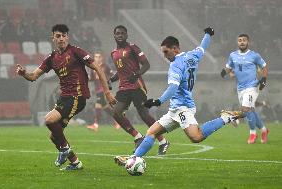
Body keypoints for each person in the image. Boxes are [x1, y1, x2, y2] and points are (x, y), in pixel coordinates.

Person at [114, 27, 244, 165]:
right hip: (175, 109)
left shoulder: (175, 65)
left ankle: (225, 117)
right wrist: (208, 34)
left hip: (183, 108)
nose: (165, 55)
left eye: (166, 52)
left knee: (196, 137)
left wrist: (158, 101)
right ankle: (132, 158)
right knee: (151, 132)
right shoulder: (193, 56)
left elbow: (173, 87)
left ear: (175, 48)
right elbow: (202, 47)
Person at [16, 24, 116, 170]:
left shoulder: (77, 52)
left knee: (49, 120)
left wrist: (107, 93)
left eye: (64, 35)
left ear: (67, 37)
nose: (61, 38)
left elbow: (98, 68)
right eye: (58, 36)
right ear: (53, 38)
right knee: (54, 136)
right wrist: (24, 73)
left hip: (77, 96)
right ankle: (75, 162)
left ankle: (64, 149)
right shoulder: (51, 58)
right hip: (64, 98)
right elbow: (33, 76)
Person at [109, 25, 170, 155]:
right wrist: (111, 80)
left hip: (137, 86)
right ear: (114, 36)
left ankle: (163, 141)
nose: (120, 35)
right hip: (123, 88)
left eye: (122, 33)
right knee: (116, 113)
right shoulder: (113, 53)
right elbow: (120, 72)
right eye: (117, 33)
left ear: (126, 35)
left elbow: (146, 64)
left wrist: (136, 74)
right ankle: (137, 137)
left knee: (144, 115)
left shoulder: (133, 47)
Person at [220, 34, 269, 144]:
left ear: (248, 42)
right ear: (237, 42)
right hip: (240, 88)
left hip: (252, 86)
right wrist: (224, 72)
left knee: (246, 109)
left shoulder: (254, 55)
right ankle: (264, 130)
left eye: (244, 40)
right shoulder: (232, 55)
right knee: (250, 111)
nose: (242, 42)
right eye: (240, 40)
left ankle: (253, 134)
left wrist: (264, 79)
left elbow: (264, 66)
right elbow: (228, 67)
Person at [87, 51, 120, 131]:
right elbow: (91, 78)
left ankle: (95, 125)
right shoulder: (93, 67)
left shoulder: (105, 67)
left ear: (102, 58)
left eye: (99, 57)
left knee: (98, 105)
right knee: (105, 107)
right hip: (97, 90)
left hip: (104, 90)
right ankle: (118, 121)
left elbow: (114, 75)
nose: (97, 58)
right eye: (96, 57)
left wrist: (109, 82)